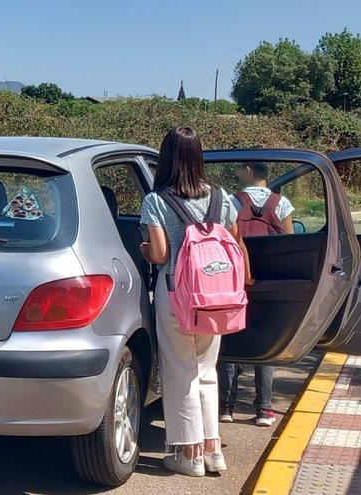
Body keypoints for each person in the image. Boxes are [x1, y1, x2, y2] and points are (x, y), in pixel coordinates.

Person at [139, 127, 253, 477]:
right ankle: (212, 450)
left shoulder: (157, 201)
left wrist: (143, 248)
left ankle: (187, 456)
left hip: (177, 295)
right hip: (217, 298)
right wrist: (245, 281)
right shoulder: (221, 197)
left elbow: (159, 254)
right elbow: (236, 244)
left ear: (167, 157)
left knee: (180, 372)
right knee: (205, 371)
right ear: (198, 156)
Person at [218, 161, 295, 427]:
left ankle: (226, 405)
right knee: (266, 344)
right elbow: (290, 242)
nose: (236, 171)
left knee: (230, 341)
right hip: (268, 283)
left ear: (249, 171)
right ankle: (264, 409)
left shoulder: (231, 201)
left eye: (239, 168)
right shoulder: (282, 203)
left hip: (237, 280)